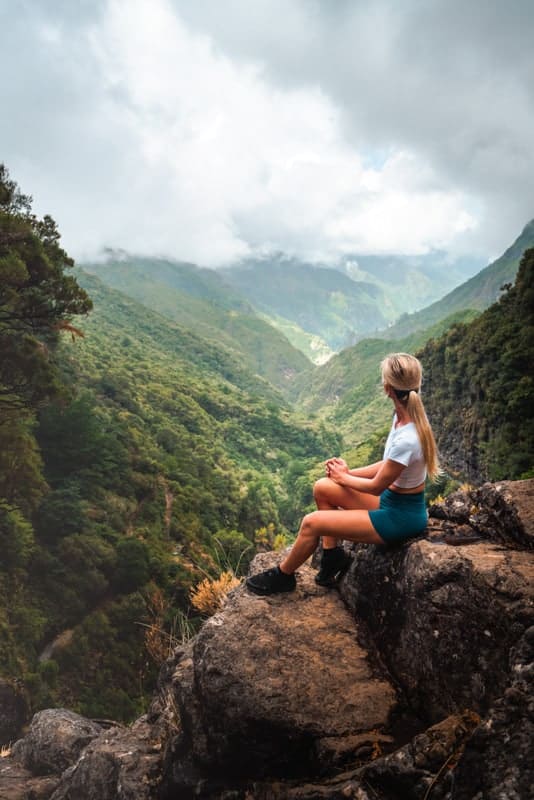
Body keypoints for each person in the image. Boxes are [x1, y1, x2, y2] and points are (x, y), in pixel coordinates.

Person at [246, 352, 439, 596]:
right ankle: (332, 555)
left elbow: (377, 486)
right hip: (393, 503)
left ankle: (284, 576)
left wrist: (343, 477)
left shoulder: (408, 436)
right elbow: (388, 466)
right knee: (322, 487)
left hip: (400, 518)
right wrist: (346, 473)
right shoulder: (404, 418)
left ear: (387, 388)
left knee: (311, 523)